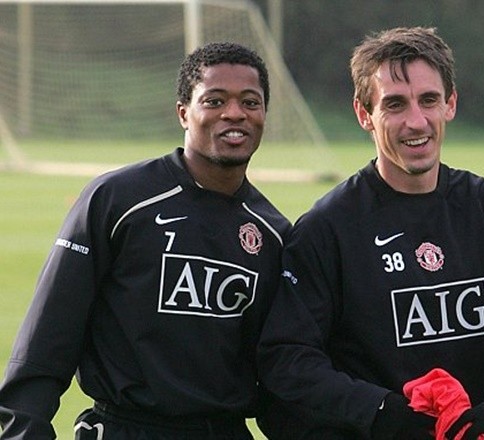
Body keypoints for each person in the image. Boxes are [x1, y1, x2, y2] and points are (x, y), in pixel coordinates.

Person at [257, 26, 484, 440]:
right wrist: (380, 411)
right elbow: (287, 358)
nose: (416, 122)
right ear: (364, 114)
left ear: (450, 104)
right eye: (395, 104)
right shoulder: (327, 229)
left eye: (429, 100)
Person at [0, 42, 290, 439]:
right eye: (215, 100)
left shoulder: (274, 233)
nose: (234, 113)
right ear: (183, 112)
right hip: (124, 428)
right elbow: (47, 338)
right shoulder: (117, 200)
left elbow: (280, 370)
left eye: (250, 102)